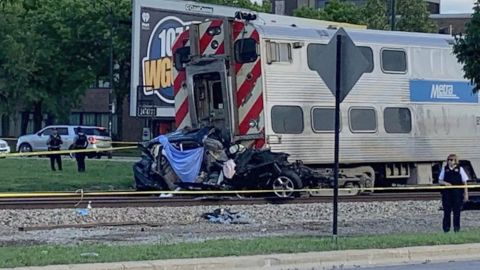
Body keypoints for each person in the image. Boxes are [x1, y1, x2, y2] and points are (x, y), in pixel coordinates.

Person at [438, 154, 469, 233]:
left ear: (455, 161)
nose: (449, 161)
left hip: (457, 193)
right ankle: (446, 229)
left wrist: (466, 194)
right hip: (447, 193)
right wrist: (445, 183)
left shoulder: (460, 169)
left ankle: (456, 229)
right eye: (448, 160)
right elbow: (440, 180)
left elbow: (464, 182)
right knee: (446, 212)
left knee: (457, 212)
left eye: (451, 160)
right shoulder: (445, 169)